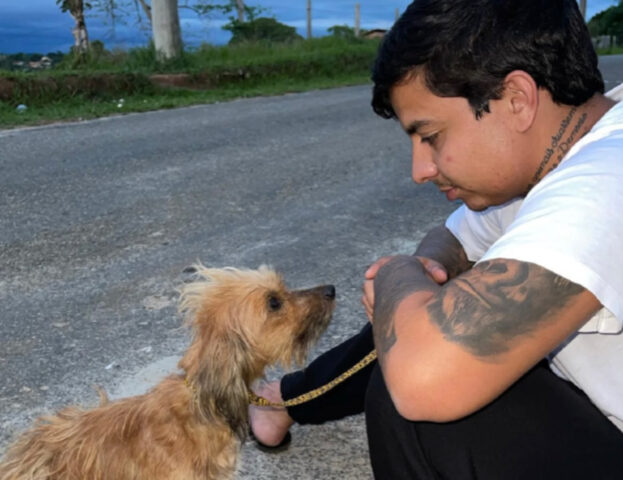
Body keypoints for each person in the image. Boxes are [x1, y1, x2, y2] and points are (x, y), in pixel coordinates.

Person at [250, 0, 623, 478]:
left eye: (431, 136)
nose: (420, 170)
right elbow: (452, 240)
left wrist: (397, 277)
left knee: (416, 375)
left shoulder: (604, 180)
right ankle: (289, 399)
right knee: (431, 311)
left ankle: (286, 400)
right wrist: (425, 272)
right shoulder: (561, 154)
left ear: (517, 99)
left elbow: (423, 375)